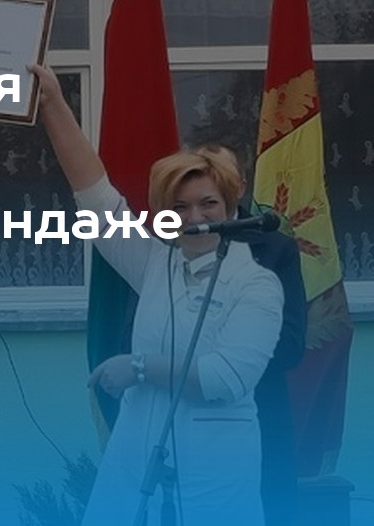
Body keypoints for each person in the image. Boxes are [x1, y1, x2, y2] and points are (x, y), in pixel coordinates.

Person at [30, 65, 284, 525]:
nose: (195, 217)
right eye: (180, 207)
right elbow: (96, 199)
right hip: (135, 463)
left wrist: (140, 367)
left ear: (230, 208)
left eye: (208, 204)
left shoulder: (257, 285)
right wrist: (52, 104)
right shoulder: (154, 263)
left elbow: (225, 378)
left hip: (214, 477)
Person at [193, 144, 307, 526]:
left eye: (219, 184)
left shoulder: (275, 248)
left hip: (259, 416)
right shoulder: (169, 246)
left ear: (239, 186)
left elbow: (289, 345)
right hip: (187, 417)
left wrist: (223, 368)